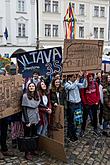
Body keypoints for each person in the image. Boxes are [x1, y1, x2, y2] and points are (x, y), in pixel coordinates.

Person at [64, 73, 87, 141]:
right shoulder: (67, 84)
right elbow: (72, 87)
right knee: (71, 121)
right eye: (73, 77)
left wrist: (85, 78)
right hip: (71, 104)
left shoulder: (76, 83)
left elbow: (84, 85)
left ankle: (73, 133)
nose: (75, 78)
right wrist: (78, 78)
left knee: (77, 119)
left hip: (78, 103)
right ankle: (71, 135)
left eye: (75, 77)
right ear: (69, 78)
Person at [22, 82, 40, 160]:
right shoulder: (25, 96)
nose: (31, 87)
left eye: (33, 86)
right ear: (28, 87)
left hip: (35, 117)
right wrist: (27, 121)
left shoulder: (37, 95)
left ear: (35, 87)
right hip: (28, 117)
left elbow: (38, 105)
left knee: (34, 134)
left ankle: (33, 149)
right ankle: (27, 153)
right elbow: (24, 109)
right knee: (27, 136)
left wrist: (46, 108)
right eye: (30, 86)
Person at [80, 73, 100, 137]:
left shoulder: (95, 84)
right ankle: (82, 130)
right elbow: (82, 94)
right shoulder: (84, 84)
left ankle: (95, 129)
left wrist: (97, 101)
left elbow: (98, 93)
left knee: (95, 117)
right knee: (84, 118)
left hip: (94, 103)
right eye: (89, 77)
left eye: (92, 76)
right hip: (87, 104)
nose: (91, 78)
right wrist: (85, 103)